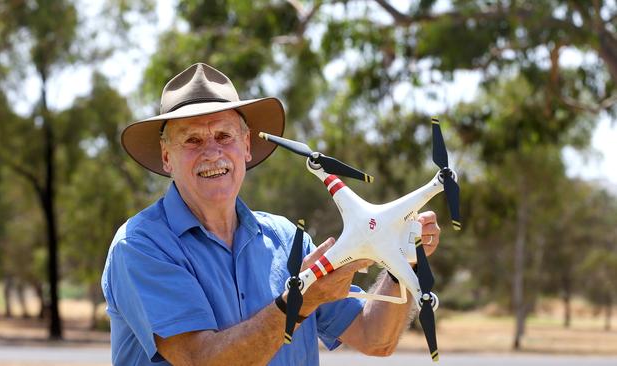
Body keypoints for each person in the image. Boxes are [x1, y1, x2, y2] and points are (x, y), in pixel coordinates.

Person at [101, 63, 441, 365]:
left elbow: (374, 338)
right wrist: (300, 300)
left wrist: (402, 262)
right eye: (192, 140)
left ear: (246, 146)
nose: (212, 152)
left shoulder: (287, 238)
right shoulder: (140, 246)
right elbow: (200, 360)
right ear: (166, 157)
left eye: (224, 135)